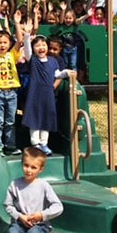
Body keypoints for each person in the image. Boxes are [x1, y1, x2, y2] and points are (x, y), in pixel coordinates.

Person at [22, 27, 69, 155]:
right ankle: (35, 144)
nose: (41, 47)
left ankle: (44, 143)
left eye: (43, 45)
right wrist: (27, 36)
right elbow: (27, 51)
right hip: (35, 94)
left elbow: (57, 74)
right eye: (37, 45)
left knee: (46, 119)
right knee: (35, 119)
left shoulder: (53, 61)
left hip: (48, 94)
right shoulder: (33, 60)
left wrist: (67, 73)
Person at [0, 10, 24, 156]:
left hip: (12, 92)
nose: (2, 45)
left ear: (9, 44)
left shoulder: (12, 55)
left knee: (10, 121)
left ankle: (10, 146)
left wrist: (17, 24)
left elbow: (19, 41)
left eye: (5, 42)